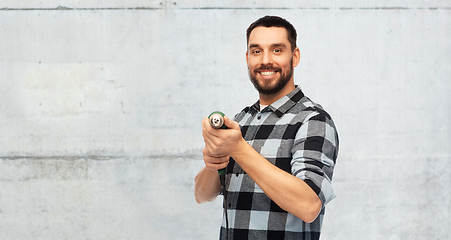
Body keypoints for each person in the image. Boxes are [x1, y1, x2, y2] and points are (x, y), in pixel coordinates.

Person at [194, 15, 339, 240]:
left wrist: (238, 148)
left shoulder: (313, 120)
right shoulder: (241, 120)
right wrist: (214, 161)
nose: (265, 60)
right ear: (247, 58)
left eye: (277, 50)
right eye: (256, 51)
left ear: (295, 56)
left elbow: (309, 205)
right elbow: (202, 195)